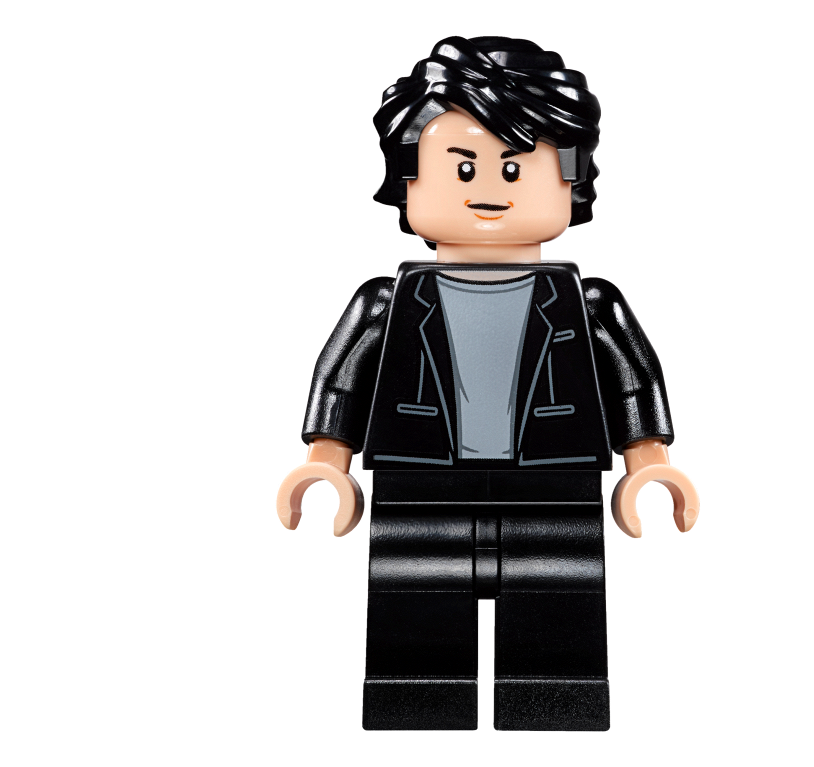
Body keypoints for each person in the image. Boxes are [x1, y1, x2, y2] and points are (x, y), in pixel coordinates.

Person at [276, 36, 699, 731]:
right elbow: (342, 379)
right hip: (418, 486)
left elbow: (633, 381)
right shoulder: (386, 302)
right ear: (409, 179)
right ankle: (418, 699)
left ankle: (554, 698)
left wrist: (648, 464)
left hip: (554, 487)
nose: (489, 189)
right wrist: (326, 461)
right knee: (414, 608)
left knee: (559, 610)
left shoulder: (590, 304)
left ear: (569, 177)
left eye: (514, 167)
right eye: (463, 167)